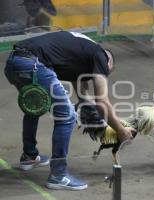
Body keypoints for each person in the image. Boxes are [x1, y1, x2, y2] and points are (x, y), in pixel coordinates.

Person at [4, 31, 135, 190]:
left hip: (14, 62)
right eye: (104, 72)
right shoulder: (101, 55)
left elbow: (84, 97)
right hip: (33, 63)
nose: (100, 75)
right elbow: (102, 101)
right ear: (109, 62)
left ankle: (30, 156)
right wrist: (120, 130)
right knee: (66, 116)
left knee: (35, 106)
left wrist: (100, 123)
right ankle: (58, 176)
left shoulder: (79, 51)